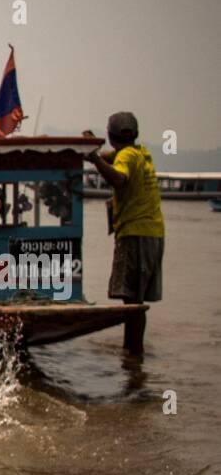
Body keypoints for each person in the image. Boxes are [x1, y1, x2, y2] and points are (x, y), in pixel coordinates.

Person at [82, 112, 164, 355]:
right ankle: (133, 358)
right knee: (134, 299)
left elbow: (118, 179)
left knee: (132, 301)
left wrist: (95, 157)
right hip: (153, 233)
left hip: (136, 233)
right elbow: (105, 159)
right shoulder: (141, 153)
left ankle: (133, 353)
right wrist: (93, 152)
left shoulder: (126, 156)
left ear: (110, 135)